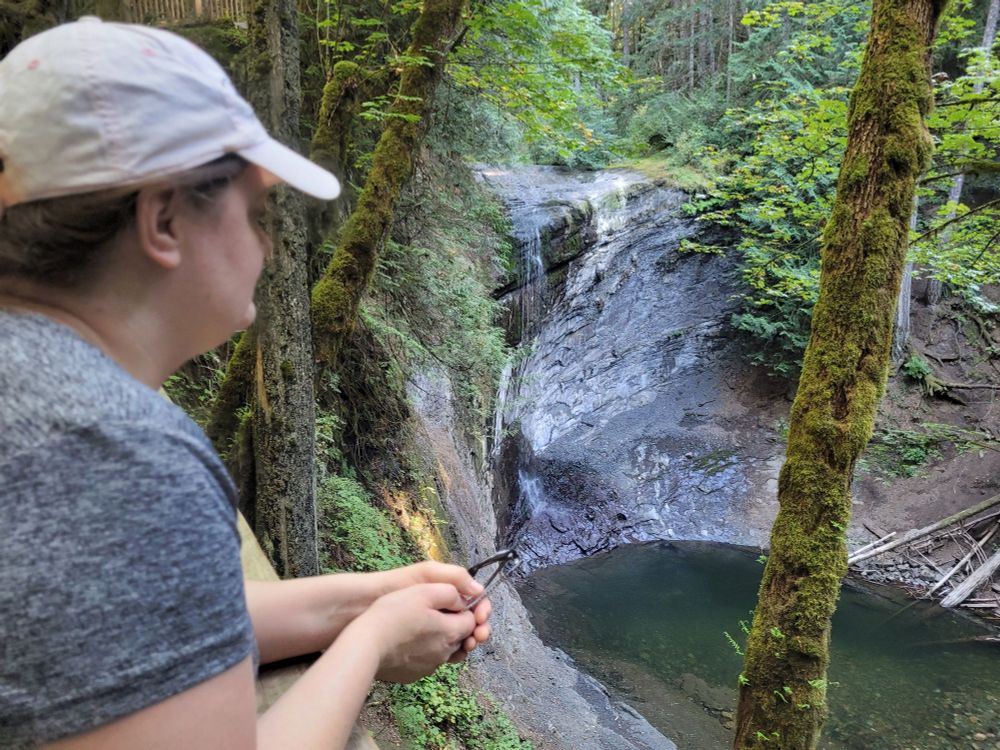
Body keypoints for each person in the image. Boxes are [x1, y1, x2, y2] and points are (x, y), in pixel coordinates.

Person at [0, 17, 492, 750]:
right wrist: (372, 645)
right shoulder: (116, 452)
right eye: (256, 211)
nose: (266, 242)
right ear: (162, 219)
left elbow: (148, 622)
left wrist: (372, 596)